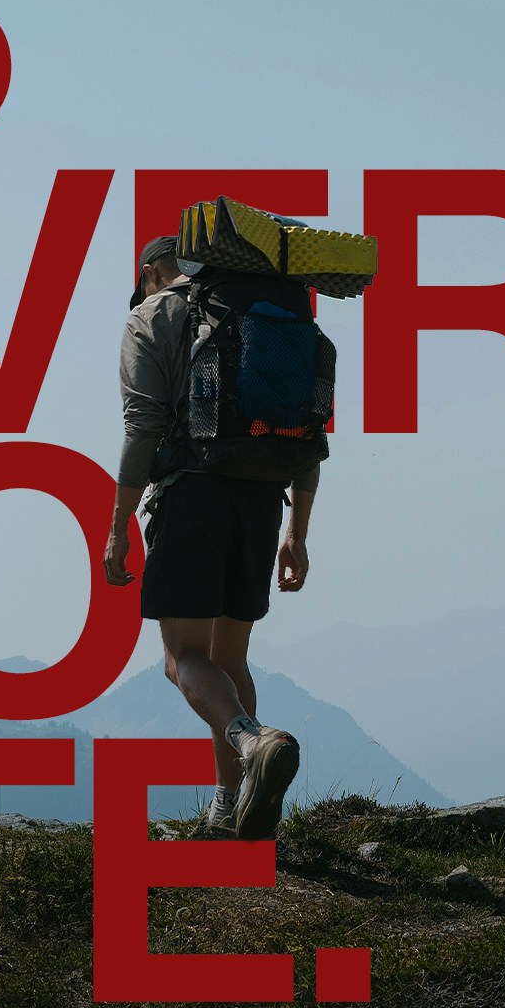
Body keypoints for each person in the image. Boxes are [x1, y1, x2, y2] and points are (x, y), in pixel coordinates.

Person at [103, 235, 319, 839]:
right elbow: (303, 428)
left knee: (183, 660)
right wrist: (297, 533)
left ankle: (253, 741)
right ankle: (230, 809)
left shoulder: (152, 316)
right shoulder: (256, 316)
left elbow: (142, 425)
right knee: (230, 657)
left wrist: (118, 526)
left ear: (148, 273)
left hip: (190, 495)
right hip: (261, 499)